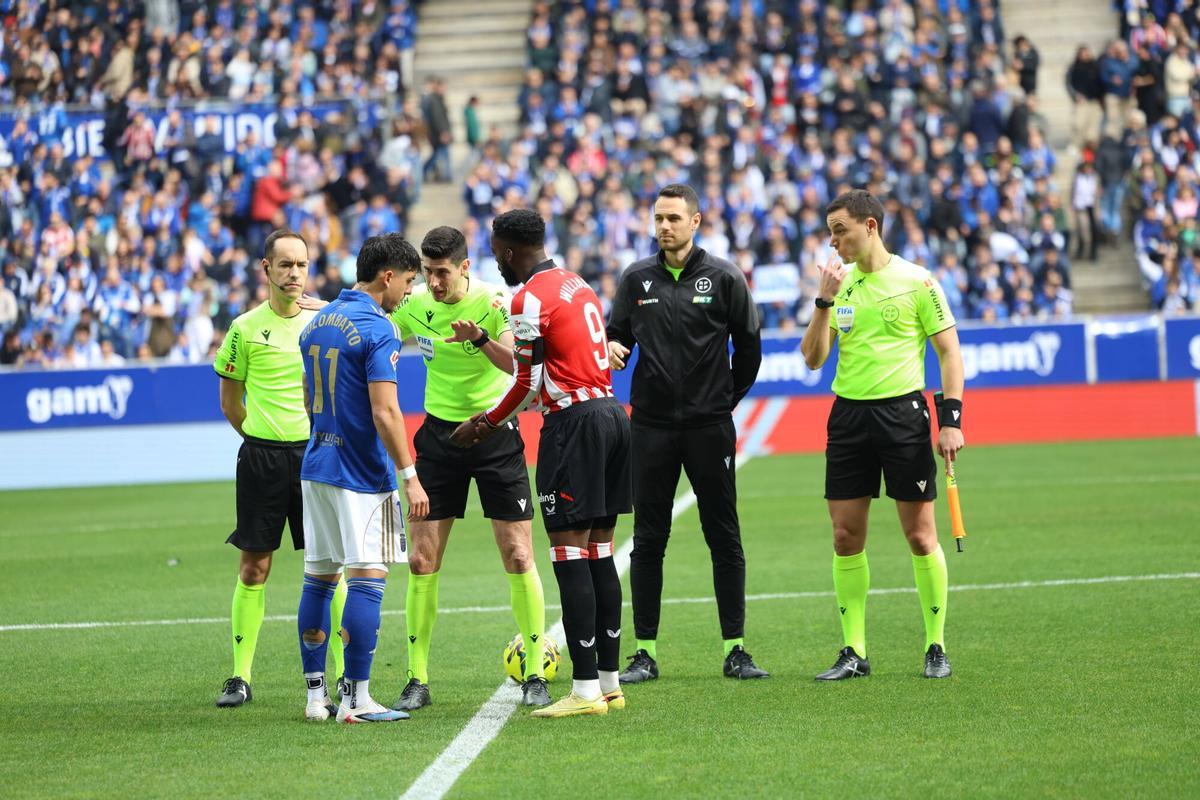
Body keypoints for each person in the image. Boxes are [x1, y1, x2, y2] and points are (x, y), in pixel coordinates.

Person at [450, 209, 632, 718]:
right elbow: (536, 367)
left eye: (495, 251)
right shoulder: (576, 283)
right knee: (599, 550)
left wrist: (483, 424)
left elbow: (528, 385)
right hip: (612, 417)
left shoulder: (527, 297)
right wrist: (485, 342)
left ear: (508, 251)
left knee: (568, 553)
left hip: (574, 427)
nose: (496, 261)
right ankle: (610, 684)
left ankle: (584, 691)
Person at [605, 183, 768, 684]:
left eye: (674, 218)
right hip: (650, 428)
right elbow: (618, 336)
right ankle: (645, 653)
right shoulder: (635, 279)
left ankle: (735, 649)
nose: (664, 227)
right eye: (658, 218)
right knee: (649, 540)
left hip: (708, 428)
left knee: (724, 536)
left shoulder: (724, 277)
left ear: (696, 221)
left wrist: (721, 402)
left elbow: (750, 350)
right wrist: (613, 347)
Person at [799, 189, 965, 681]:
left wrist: (951, 419)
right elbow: (812, 358)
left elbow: (949, 353)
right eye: (830, 231)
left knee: (919, 535)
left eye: (840, 230)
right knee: (845, 536)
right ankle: (854, 651)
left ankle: (935, 646)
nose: (834, 242)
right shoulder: (838, 285)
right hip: (848, 418)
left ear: (870, 226)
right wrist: (824, 301)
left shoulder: (918, 281)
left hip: (903, 417)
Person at [387, 225, 550, 710]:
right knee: (421, 559)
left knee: (519, 554)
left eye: (442, 273)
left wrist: (478, 338)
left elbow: (515, 367)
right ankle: (417, 679)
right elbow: (376, 325)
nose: (434, 283)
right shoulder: (415, 305)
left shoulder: (495, 302)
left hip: (494, 432)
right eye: (427, 273)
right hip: (439, 438)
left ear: (463, 267)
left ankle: (536, 673)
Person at [294, 233, 429, 723]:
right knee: (369, 579)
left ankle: (316, 698)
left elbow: (311, 395)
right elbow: (386, 411)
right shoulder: (380, 329)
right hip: (361, 474)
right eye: (409, 281)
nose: (410, 292)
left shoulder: (316, 323)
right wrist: (409, 476)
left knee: (319, 578)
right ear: (388, 276)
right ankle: (357, 699)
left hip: (317, 465)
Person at [212, 229, 347, 709]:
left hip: (315, 457)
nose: (294, 273)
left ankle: (344, 676)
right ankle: (240, 676)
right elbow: (231, 403)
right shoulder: (244, 328)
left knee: (331, 568)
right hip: (263, 458)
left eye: (302, 265)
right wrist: (262, 438)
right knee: (254, 567)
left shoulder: (326, 322)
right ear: (265, 269)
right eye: (285, 264)